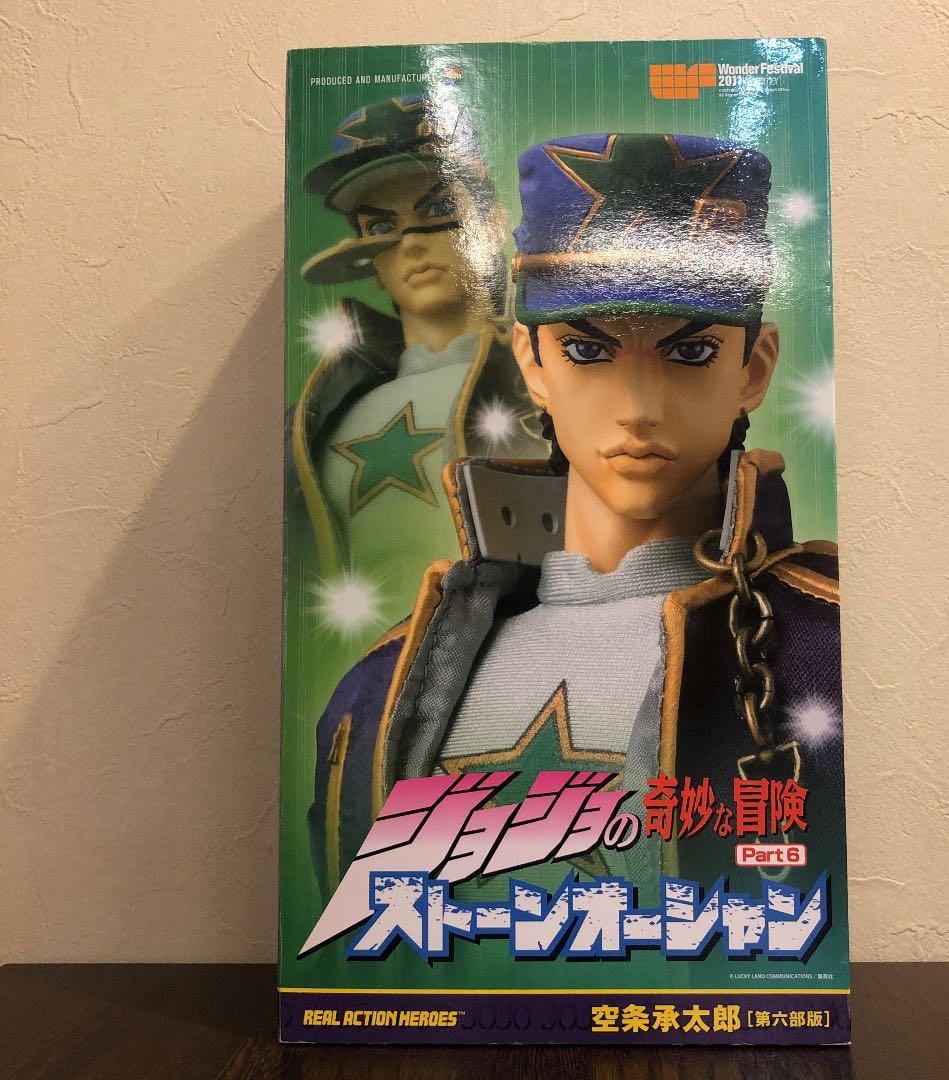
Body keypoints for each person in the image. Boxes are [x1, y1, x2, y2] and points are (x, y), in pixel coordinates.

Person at [308, 131, 845, 904]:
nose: (637, 407)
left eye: (690, 352)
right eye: (588, 352)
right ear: (532, 364)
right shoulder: (377, 689)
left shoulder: (823, 647)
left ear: (753, 369)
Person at [290, 94, 542, 590]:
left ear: (493, 226)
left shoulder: (553, 382)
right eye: (382, 227)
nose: (411, 242)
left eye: (441, 208)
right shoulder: (317, 418)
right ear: (369, 260)